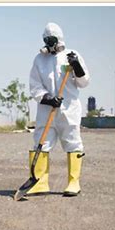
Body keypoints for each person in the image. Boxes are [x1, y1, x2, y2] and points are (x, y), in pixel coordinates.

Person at [27, 22, 90, 197]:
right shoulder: (39, 60)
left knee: (72, 142)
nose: (48, 43)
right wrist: (47, 98)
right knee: (41, 141)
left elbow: (84, 82)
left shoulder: (72, 55)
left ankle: (73, 182)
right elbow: (34, 85)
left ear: (59, 39)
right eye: (46, 40)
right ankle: (39, 182)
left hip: (69, 110)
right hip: (46, 110)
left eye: (51, 39)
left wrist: (76, 66)